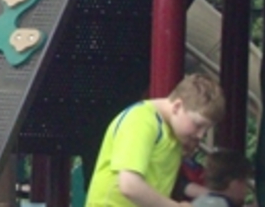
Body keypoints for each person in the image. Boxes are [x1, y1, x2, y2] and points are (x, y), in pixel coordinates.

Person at [86, 74, 226, 207]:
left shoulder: (173, 132)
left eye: (206, 129)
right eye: (198, 125)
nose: (201, 135)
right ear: (177, 107)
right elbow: (129, 185)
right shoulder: (141, 120)